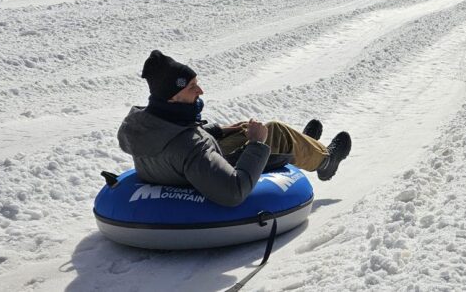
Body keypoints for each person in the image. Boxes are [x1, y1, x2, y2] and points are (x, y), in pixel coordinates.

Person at [117, 50, 352, 207]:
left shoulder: (138, 123)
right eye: (192, 87)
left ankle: (301, 144)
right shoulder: (191, 146)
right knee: (274, 131)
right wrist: (257, 144)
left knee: (243, 130)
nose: (200, 92)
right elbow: (233, 192)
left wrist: (218, 131)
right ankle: (324, 162)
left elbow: (175, 136)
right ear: (173, 98)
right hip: (201, 174)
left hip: (179, 168)